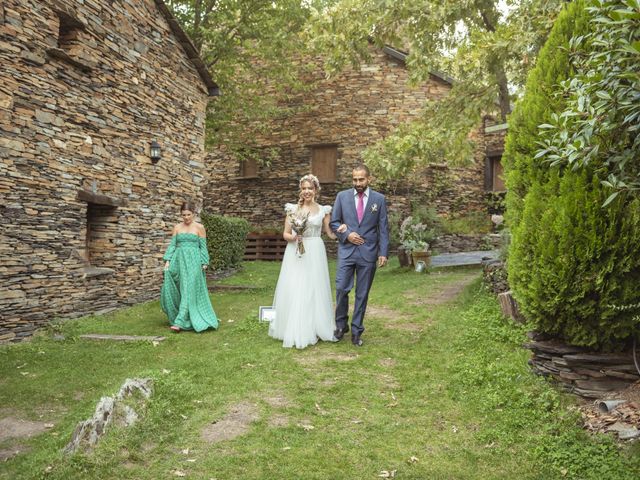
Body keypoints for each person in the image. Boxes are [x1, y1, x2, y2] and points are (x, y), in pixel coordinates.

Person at [268, 174, 340, 349]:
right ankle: (292, 327)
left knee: (315, 287)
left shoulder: (324, 210)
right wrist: (294, 237)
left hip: (315, 250)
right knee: (295, 285)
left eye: (310, 188)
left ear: (316, 190)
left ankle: (316, 326)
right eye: (304, 188)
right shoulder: (292, 209)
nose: (307, 191)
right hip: (296, 250)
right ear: (301, 190)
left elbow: (329, 233)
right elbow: (285, 233)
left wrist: (341, 233)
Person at [330, 164, 389, 347]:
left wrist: (383, 252)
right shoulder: (342, 197)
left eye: (361, 179)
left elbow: (383, 228)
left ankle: (356, 331)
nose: (358, 183)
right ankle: (341, 326)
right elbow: (334, 223)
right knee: (341, 289)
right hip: (347, 252)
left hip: (368, 252)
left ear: (368, 179)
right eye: (355, 179)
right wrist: (347, 234)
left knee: (362, 294)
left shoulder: (379, 199)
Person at [160, 201, 219, 332]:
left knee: (188, 289)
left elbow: (203, 247)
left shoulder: (199, 228)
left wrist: (204, 262)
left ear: (193, 213)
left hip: (194, 261)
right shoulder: (177, 227)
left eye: (188, 214)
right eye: (183, 215)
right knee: (179, 287)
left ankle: (179, 321)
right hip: (179, 260)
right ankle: (180, 314)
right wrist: (167, 260)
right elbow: (173, 245)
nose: (186, 217)